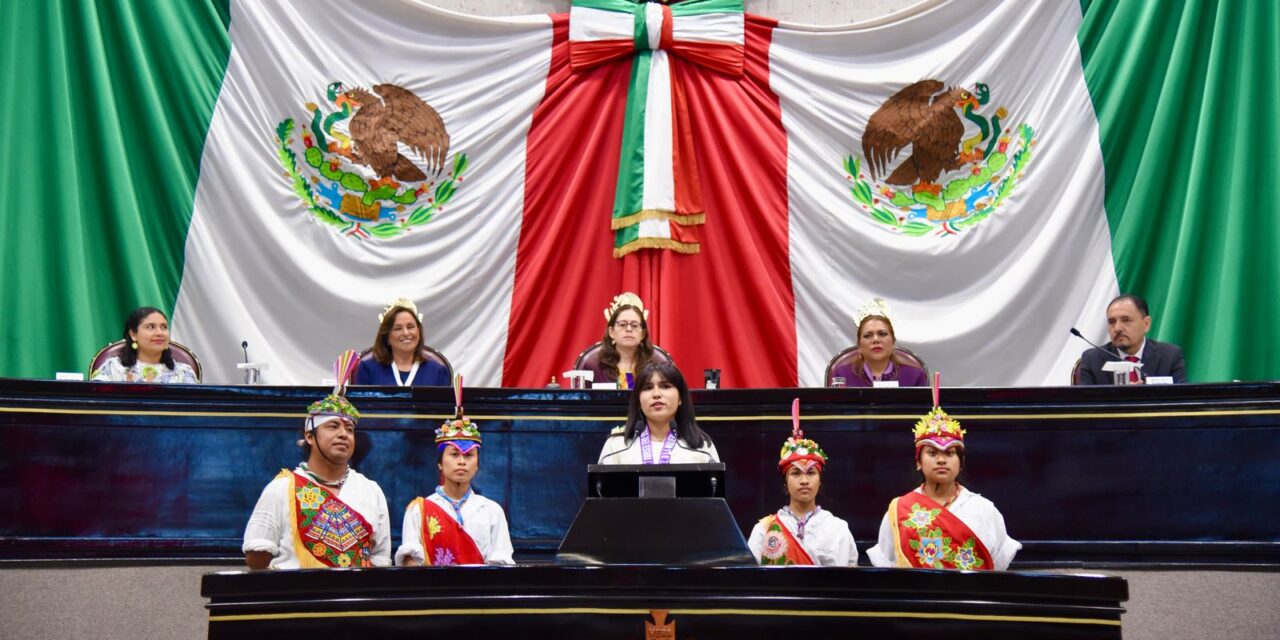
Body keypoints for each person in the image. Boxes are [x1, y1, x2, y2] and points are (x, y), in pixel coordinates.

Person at [242, 354, 392, 569]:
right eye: (332, 426)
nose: (343, 434)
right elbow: (256, 559)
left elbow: (380, 559)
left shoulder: (370, 490)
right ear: (310, 437)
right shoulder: (282, 488)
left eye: (349, 429)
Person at [866, 390, 1020, 570]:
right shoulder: (899, 509)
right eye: (932, 453)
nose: (941, 460)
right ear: (918, 462)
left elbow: (998, 567)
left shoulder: (984, 510)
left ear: (961, 462)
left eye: (949, 453)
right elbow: (888, 567)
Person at [396, 405, 514, 566]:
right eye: (454, 454)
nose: (461, 461)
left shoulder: (492, 511)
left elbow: (501, 565)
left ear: (477, 464)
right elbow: (411, 563)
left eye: (469, 455)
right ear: (440, 463)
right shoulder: (418, 510)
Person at [747, 399, 857, 566]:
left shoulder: (838, 528)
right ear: (785, 482)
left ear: (820, 481)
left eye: (811, 473)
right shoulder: (764, 529)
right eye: (795, 473)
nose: (804, 481)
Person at [598, 361, 719, 464]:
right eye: (647, 388)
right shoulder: (617, 447)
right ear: (639, 401)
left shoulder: (701, 447)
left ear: (680, 398)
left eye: (665, 386)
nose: (656, 394)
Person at [1076, 293, 1187, 385]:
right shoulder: (1093, 359)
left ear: (1146, 324)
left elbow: (1180, 400)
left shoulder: (1170, 356)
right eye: (1112, 322)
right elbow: (1086, 406)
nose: (1117, 328)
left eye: (1126, 320)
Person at [829, 298, 926, 387]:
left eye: (882, 334)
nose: (876, 340)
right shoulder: (842, 375)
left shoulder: (914, 375)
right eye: (867, 335)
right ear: (859, 346)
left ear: (893, 342)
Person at [354, 298, 449, 386]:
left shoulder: (438, 371)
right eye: (398, 328)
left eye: (410, 327)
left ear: (419, 331)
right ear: (386, 336)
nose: (406, 333)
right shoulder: (367, 369)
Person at [91, 306, 198, 384]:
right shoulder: (113, 368)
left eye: (164, 327)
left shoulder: (183, 372)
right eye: (150, 327)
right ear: (133, 334)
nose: (160, 333)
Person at [586, 292, 659, 389]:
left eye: (634, 325)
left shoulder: (658, 365)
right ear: (611, 332)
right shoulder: (593, 366)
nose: (629, 329)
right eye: (622, 324)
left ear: (643, 334)